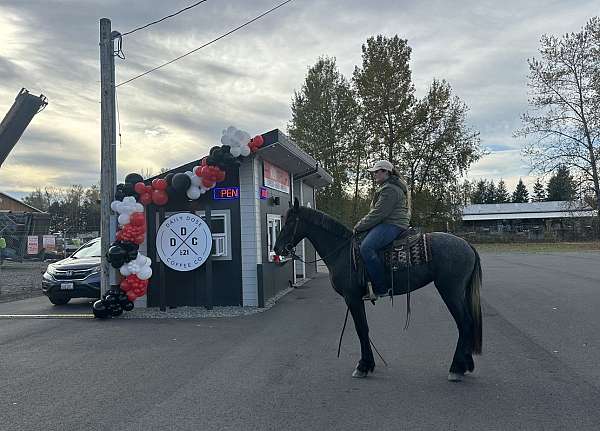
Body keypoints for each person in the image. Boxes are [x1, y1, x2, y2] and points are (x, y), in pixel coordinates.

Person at [353, 160, 411, 299]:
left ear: (386, 172)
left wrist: (358, 226)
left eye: (377, 172)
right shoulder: (388, 186)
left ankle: (381, 288)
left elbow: (378, 214)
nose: (374, 175)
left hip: (392, 224)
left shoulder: (390, 189)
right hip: (389, 222)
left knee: (366, 248)